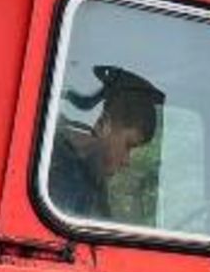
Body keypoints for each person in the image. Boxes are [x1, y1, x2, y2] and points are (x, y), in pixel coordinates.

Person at [48, 65, 163, 220]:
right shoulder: (62, 179)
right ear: (103, 125)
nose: (126, 161)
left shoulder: (89, 179)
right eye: (128, 145)